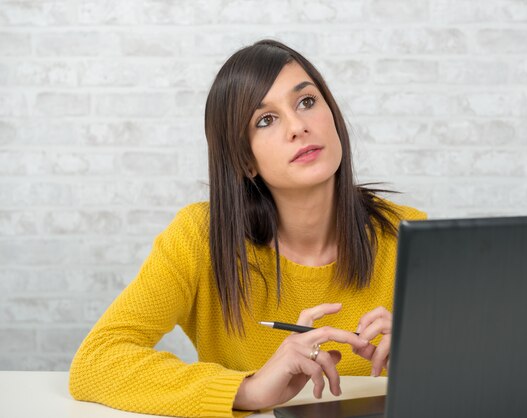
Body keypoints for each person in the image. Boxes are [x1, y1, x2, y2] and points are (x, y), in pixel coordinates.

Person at [69, 39, 427, 417]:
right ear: (245, 161)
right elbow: (96, 361)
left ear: (332, 115)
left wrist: (428, 350)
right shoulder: (200, 236)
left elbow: (483, 369)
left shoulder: (409, 234)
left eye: (306, 101)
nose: (298, 127)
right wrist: (248, 390)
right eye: (265, 120)